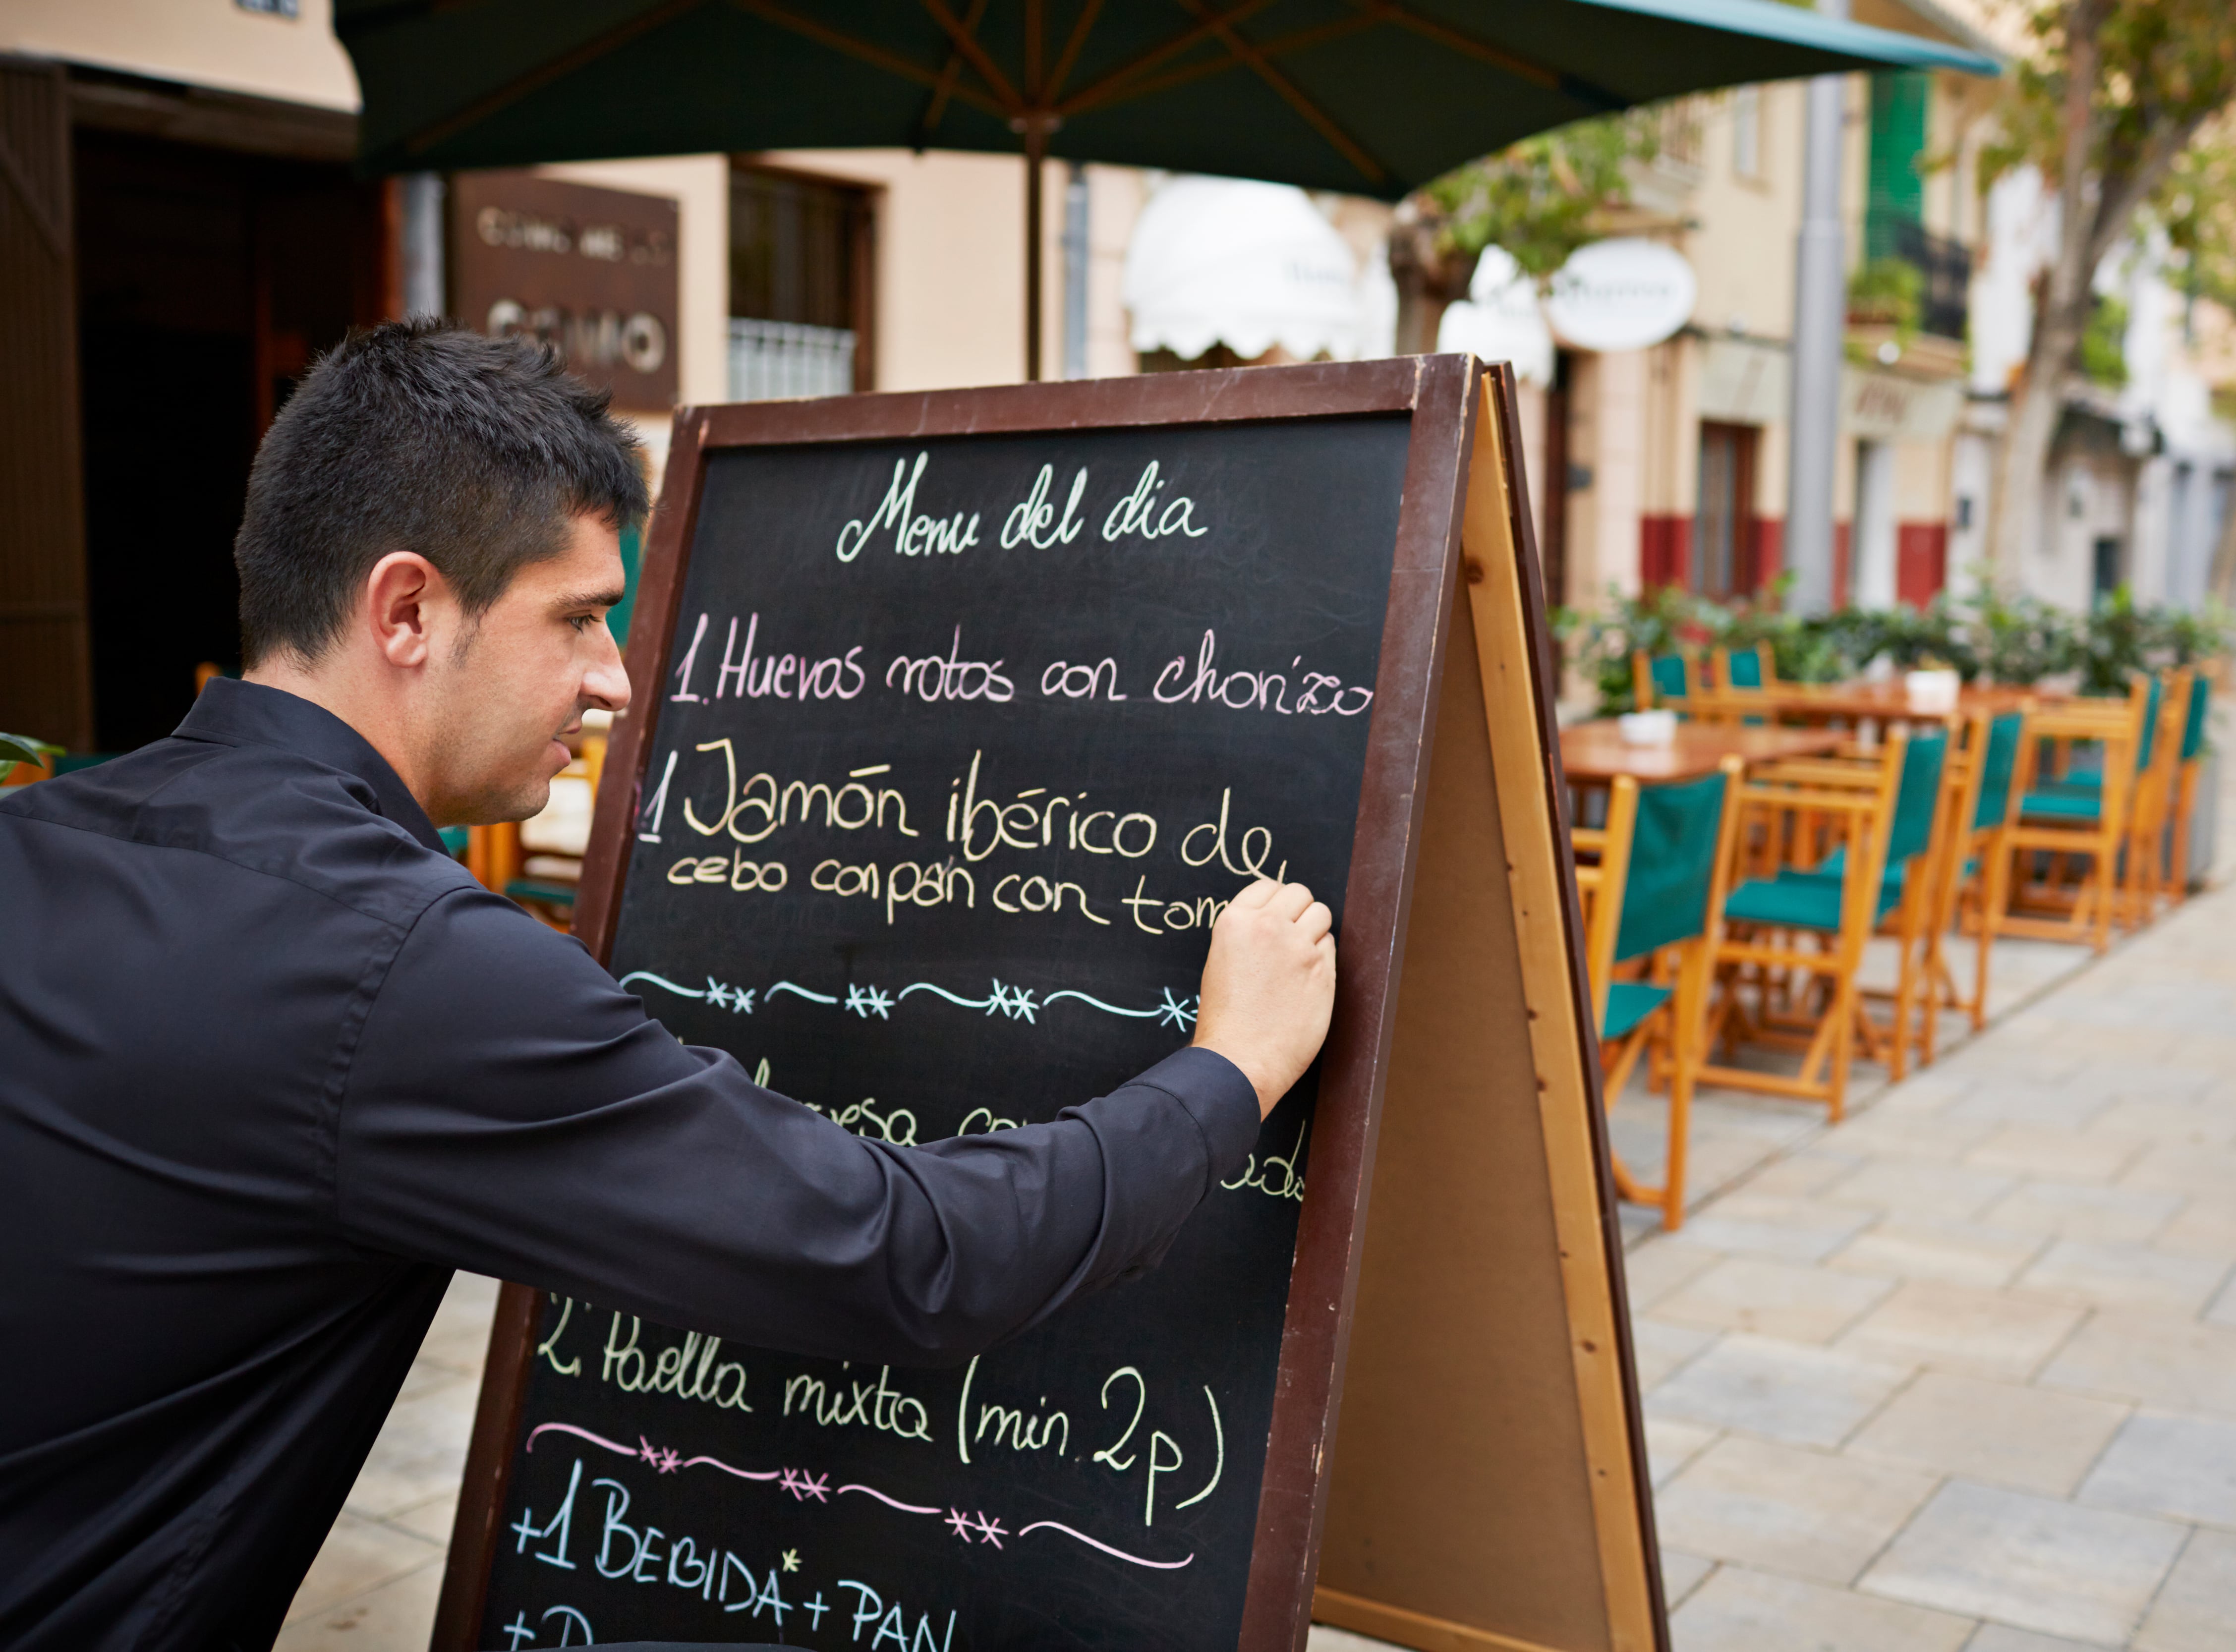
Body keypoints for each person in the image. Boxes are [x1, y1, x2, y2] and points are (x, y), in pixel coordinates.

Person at [0, 322, 1337, 1650]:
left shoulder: (33, 841)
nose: (616, 675)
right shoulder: (403, 968)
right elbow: (910, 1258)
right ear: (408, 610)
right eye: (577, 616)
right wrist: (1231, 1067)